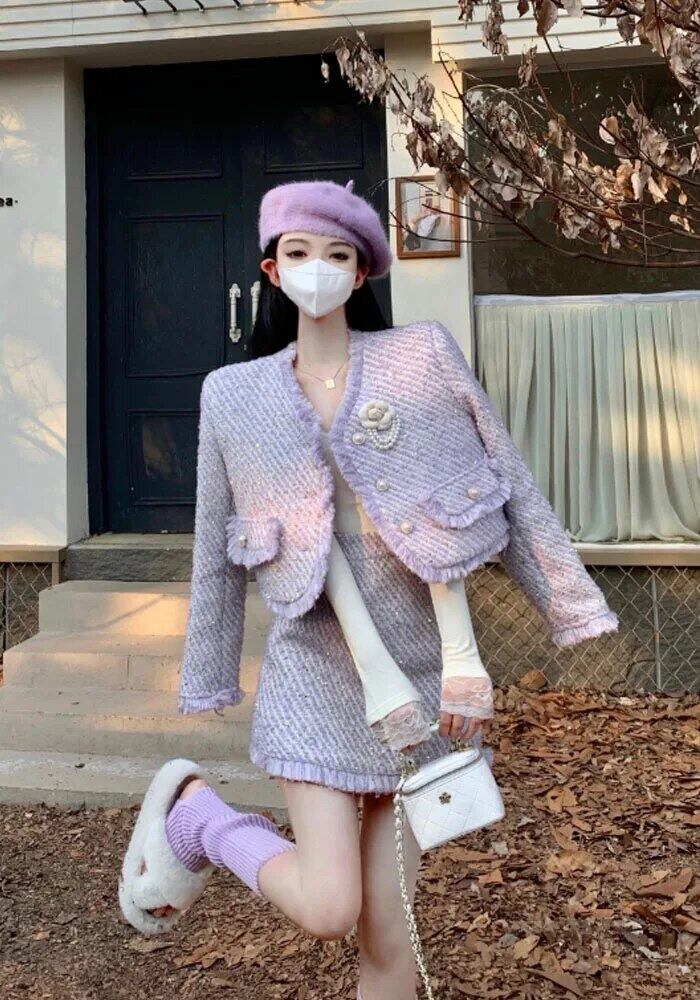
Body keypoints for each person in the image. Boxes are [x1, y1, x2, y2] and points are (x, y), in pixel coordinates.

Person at [119, 179, 618, 1000]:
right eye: (299, 252)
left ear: (362, 272)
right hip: (314, 672)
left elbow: (503, 482)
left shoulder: (419, 356)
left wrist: (556, 609)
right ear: (272, 269)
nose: (317, 268)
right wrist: (207, 673)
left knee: (390, 932)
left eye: (338, 254)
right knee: (329, 907)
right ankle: (202, 818)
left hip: (427, 671)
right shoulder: (234, 395)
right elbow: (214, 546)